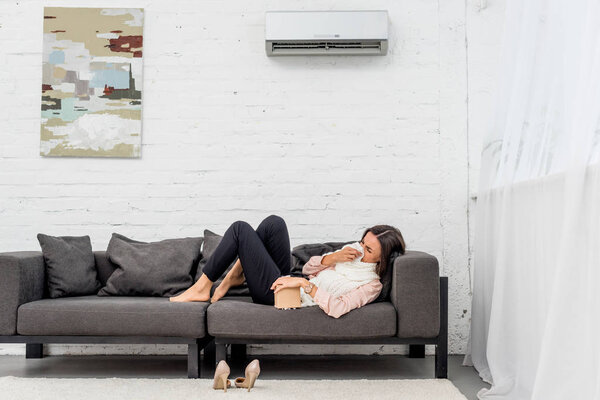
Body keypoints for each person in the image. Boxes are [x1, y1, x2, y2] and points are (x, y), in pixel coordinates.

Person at [169, 214, 406, 318]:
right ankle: (234, 276)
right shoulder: (351, 252)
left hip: (290, 298)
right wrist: (331, 259)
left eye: (369, 249)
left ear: (382, 259)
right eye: (363, 242)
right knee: (274, 223)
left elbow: (338, 308)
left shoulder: (371, 285)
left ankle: (203, 286)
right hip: (294, 284)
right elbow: (307, 268)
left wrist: (304, 285)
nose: (361, 249)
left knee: (240, 228)